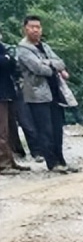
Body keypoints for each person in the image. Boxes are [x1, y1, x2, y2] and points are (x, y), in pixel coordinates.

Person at [16, 15, 77, 173]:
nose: (36, 30)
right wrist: (52, 65)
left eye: (38, 27)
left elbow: (61, 62)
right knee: (45, 129)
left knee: (57, 128)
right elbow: (38, 68)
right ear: (25, 28)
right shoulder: (22, 49)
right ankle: (52, 163)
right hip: (37, 94)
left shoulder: (45, 46)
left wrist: (49, 63)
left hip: (54, 92)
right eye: (32, 27)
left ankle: (61, 159)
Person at [0, 32, 30, 174]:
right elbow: (5, 62)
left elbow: (11, 63)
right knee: (2, 130)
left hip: (7, 92)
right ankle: (3, 164)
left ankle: (10, 161)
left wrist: (6, 59)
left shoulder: (2, 47)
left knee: (11, 128)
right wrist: (6, 59)